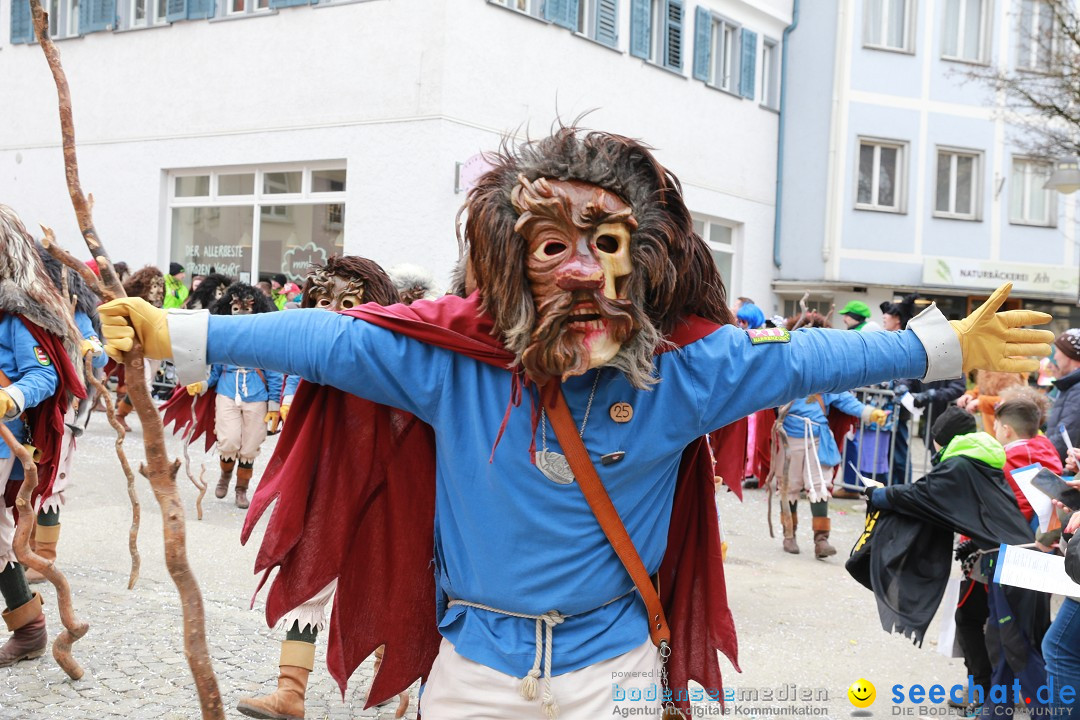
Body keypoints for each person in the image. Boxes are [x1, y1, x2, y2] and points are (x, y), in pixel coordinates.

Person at [100, 128, 1054, 718]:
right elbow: (326, 342)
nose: (582, 275)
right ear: (512, 266)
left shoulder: (690, 375)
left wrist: (940, 347)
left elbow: (812, 358)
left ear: (645, 262)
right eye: (552, 248)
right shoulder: (446, 367)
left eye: (605, 247)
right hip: (476, 669)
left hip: (616, 673)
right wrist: (173, 328)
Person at [238, 256, 403, 720]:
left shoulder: (394, 353)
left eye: (347, 302)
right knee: (306, 571)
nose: (333, 311)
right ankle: (291, 692)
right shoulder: (312, 357)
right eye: (323, 300)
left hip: (385, 487)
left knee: (385, 578)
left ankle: (394, 673)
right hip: (327, 482)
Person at [860, 407, 1049, 716]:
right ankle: (996, 711)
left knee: (1018, 647)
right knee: (1004, 644)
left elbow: (919, 495)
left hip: (1013, 564)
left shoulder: (959, 465)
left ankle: (1049, 712)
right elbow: (986, 513)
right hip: (1015, 558)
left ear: (941, 440)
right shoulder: (983, 460)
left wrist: (877, 494)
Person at [0, 206, 85, 666]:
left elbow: (44, 375)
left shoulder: (18, 313)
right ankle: (28, 624)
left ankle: (29, 626)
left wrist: (10, 397)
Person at [24, 245, 108, 584]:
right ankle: (24, 548)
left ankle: (44, 556)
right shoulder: (28, 308)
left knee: (53, 480)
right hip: (31, 405)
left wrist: (89, 347)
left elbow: (100, 356)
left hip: (67, 407)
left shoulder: (77, 312)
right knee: (26, 476)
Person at [184, 284, 280, 509]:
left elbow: (275, 373)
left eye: (247, 309)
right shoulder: (223, 338)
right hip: (227, 393)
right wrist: (203, 384)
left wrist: (274, 405)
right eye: (236, 308)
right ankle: (225, 476)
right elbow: (215, 373)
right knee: (228, 441)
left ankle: (241, 489)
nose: (242, 314)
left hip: (257, 397)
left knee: (249, 447)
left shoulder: (265, 340)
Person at [776, 391, 887, 557]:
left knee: (819, 485)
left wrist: (869, 412)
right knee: (789, 487)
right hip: (788, 437)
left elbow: (843, 397)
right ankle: (789, 534)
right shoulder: (785, 371)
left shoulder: (823, 374)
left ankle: (821, 539)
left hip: (818, 438)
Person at [114, 266, 165, 431]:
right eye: (154, 286)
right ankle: (130, 417)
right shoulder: (136, 305)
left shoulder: (159, 307)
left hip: (155, 350)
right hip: (139, 350)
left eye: (160, 286)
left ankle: (121, 414)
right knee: (143, 384)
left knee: (143, 385)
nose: (158, 290)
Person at [1048, 329, 1080, 464]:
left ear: (1068, 355)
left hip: (1065, 467)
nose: (1055, 357)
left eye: (1057, 351)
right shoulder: (1071, 385)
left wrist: (1042, 455)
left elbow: (1066, 436)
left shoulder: (1077, 389)